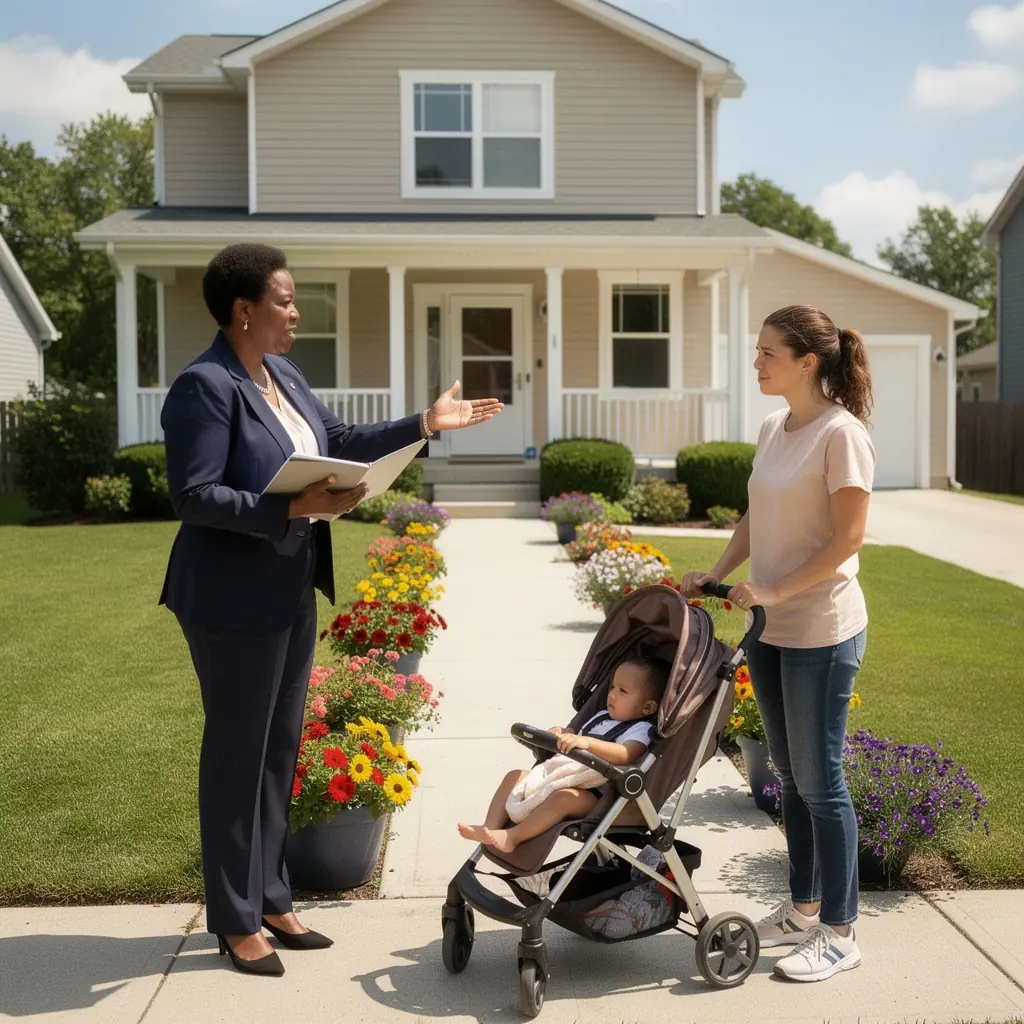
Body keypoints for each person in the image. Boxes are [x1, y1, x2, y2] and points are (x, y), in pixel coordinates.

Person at [160, 243, 502, 977]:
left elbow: (340, 441)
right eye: (284, 301)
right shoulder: (205, 386)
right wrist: (290, 507)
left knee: (279, 749)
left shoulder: (282, 375)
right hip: (229, 597)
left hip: (289, 587)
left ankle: (271, 896)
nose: (295, 313)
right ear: (243, 310)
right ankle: (234, 919)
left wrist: (425, 422)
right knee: (237, 756)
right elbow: (193, 495)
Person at [682, 304, 875, 984]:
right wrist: (716, 574)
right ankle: (801, 911)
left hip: (822, 629)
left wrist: (775, 589)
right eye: (758, 351)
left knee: (823, 784)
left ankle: (841, 933)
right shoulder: (773, 426)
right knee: (789, 779)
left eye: (769, 352)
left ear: (807, 361)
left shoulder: (841, 434)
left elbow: (848, 538)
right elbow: (755, 517)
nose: (757, 363)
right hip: (769, 630)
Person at [457, 656, 668, 853]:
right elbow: (577, 737)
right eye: (612, 686)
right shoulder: (602, 717)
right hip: (564, 777)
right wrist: (563, 733)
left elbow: (626, 754)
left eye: (622, 691)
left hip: (597, 794)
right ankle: (490, 827)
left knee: (564, 798)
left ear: (647, 707)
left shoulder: (640, 729)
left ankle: (513, 837)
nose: (611, 694)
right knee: (515, 776)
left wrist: (588, 743)